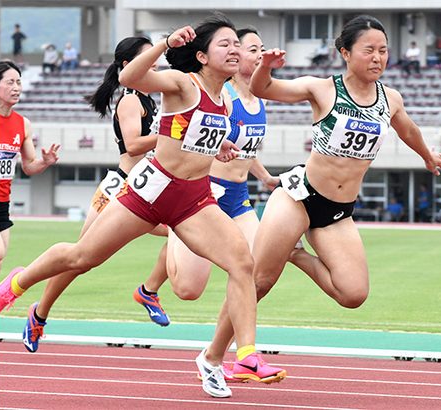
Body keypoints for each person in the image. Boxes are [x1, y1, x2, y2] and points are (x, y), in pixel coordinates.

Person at [0, 13, 284, 399]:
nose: (235, 50)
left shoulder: (225, 99)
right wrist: (165, 44)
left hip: (194, 199)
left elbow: (193, 138)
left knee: (242, 263)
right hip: (150, 192)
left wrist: (222, 146)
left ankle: (246, 353)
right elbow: (130, 79)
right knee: (82, 257)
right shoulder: (183, 82)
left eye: (238, 44)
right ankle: (15, 286)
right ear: (201, 56)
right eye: (226, 44)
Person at [201, 14, 441, 375]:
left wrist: (427, 155)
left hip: (337, 211)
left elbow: (408, 129)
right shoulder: (322, 88)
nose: (378, 58)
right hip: (299, 197)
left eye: (383, 51)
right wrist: (266, 67)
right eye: (369, 50)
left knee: (353, 294)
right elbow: (263, 89)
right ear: (345, 53)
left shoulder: (390, 99)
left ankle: (295, 254)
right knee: (259, 282)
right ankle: (214, 356)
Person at [131, 29, 315, 378]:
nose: (259, 55)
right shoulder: (220, 91)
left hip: (239, 198)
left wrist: (264, 176)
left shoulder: (257, 98)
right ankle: (156, 267)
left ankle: (227, 355)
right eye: (251, 49)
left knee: (257, 273)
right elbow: (187, 133)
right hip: (202, 194)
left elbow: (243, 148)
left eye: (262, 49)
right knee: (188, 289)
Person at [20, 37, 172, 354]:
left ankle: (149, 290)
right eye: (149, 56)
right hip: (120, 188)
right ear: (128, 66)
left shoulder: (152, 99)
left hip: (146, 187)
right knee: (78, 260)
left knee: (185, 233)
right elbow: (133, 145)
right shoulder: (131, 101)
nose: (156, 61)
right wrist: (172, 132)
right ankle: (39, 313)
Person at [0, 61, 60, 276]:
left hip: (2, 202)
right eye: (10, 82)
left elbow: (29, 166)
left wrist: (45, 162)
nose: (17, 87)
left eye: (19, 82)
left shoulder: (22, 124)